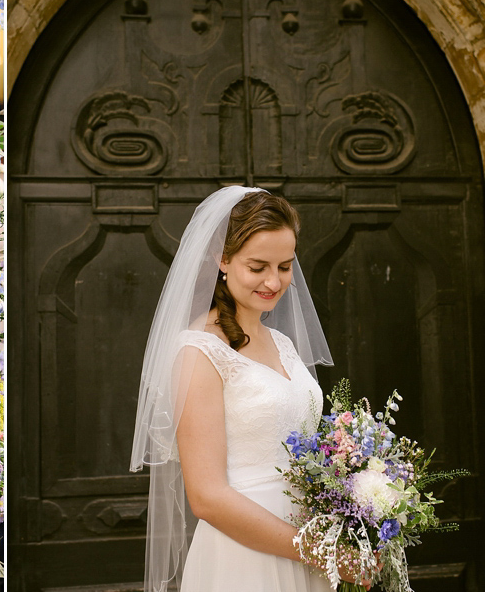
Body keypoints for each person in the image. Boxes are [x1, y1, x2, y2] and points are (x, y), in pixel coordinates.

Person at [130, 186, 364, 591]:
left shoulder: (284, 344)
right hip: (248, 557)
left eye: (285, 266)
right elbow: (206, 496)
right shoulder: (198, 350)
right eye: (258, 267)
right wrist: (319, 550)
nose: (274, 281)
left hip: (312, 546)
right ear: (223, 259)